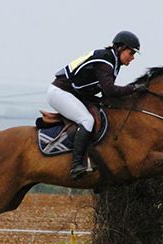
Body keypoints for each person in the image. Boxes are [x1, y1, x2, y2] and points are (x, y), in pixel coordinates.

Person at [48, 30, 147, 180]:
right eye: (131, 53)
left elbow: (106, 95)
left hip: (76, 94)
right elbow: (110, 90)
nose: (132, 58)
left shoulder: (113, 61)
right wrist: (134, 88)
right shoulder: (106, 59)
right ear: (120, 47)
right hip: (60, 92)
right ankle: (75, 165)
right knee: (87, 120)